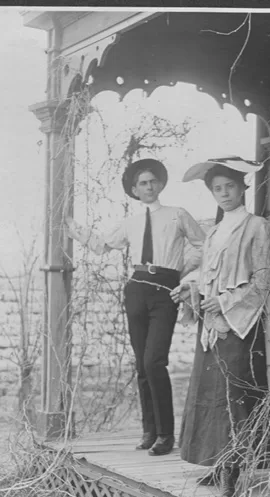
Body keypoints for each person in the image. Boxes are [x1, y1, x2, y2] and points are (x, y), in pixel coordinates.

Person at [65, 158, 206, 456]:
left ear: (161, 184)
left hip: (165, 292)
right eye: (143, 183)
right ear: (134, 189)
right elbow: (102, 245)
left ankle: (167, 435)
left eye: (153, 181)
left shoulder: (177, 214)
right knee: (142, 364)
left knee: (155, 361)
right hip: (136, 290)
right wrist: (70, 226)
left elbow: (203, 245)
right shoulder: (129, 222)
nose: (149, 187)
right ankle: (150, 431)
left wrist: (186, 273)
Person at [170, 156, 270, 497]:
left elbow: (264, 281)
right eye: (217, 188)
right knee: (211, 394)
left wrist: (226, 303)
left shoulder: (257, 226)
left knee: (236, 394)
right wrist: (190, 289)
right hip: (211, 326)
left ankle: (235, 470)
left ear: (242, 187)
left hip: (239, 326)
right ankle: (218, 462)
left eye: (229, 186)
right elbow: (207, 276)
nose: (224, 193)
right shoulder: (214, 231)